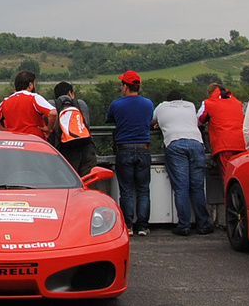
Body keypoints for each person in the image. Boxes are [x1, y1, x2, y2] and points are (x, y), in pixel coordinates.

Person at [153, 89, 214, 235]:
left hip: (175, 143)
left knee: (181, 187)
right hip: (196, 143)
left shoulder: (161, 107)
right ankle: (203, 224)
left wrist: (159, 124)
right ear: (181, 99)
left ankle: (184, 225)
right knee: (197, 187)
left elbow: (153, 121)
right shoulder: (190, 105)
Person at [106, 71, 155, 236]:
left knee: (126, 190)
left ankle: (128, 225)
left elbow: (109, 118)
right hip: (144, 148)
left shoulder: (116, 104)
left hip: (124, 148)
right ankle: (142, 226)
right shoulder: (148, 104)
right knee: (143, 189)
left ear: (125, 86)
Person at [0, 71, 56, 139]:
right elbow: (53, 113)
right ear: (30, 85)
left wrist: (7, 132)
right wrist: (49, 128)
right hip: (34, 140)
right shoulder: (34, 98)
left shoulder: (5, 102)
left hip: (15, 142)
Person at [198, 83, 247, 171]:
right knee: (239, 175)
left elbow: (199, 120)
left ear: (210, 93)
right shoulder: (238, 103)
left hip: (223, 145)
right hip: (241, 144)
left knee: (227, 175)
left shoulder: (209, 103)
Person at [52, 82, 96, 175]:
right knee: (87, 182)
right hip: (86, 147)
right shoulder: (80, 104)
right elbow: (86, 124)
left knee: (70, 182)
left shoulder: (53, 105)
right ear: (70, 93)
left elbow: (54, 129)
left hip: (65, 149)